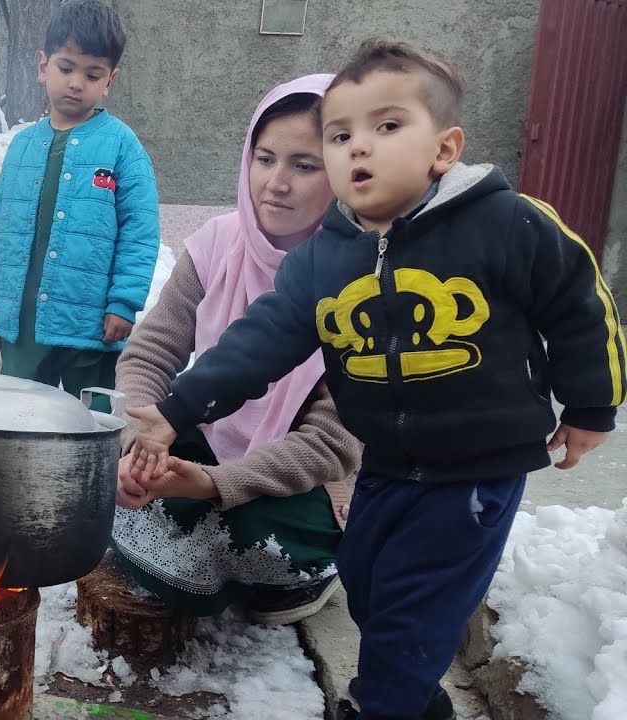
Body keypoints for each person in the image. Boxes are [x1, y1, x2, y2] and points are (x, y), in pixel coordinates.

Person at [125, 38, 626, 720]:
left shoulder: (507, 224)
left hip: (476, 469)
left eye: (386, 125)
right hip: (387, 463)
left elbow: (582, 304)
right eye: (339, 135)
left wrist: (593, 405)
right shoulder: (326, 259)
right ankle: (418, 701)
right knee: (367, 581)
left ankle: (383, 706)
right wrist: (176, 409)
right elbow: (259, 342)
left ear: (444, 149)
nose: (358, 146)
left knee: (415, 609)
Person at [112, 74, 362, 626]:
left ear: (345, 172)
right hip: (210, 434)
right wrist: (142, 444)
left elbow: (329, 443)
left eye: (305, 165)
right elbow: (150, 354)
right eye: (264, 158)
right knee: (111, 476)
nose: (276, 183)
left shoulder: (360, 285)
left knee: (239, 531)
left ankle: (309, 576)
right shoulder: (218, 245)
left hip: (304, 476)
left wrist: (215, 485)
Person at [0, 0, 159, 406]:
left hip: (89, 325)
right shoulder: (22, 146)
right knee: (18, 414)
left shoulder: (122, 146)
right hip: (22, 322)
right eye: (66, 68)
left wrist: (123, 303)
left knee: (93, 421)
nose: (76, 83)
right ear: (44, 66)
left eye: (92, 74)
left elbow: (140, 231)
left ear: (109, 80)